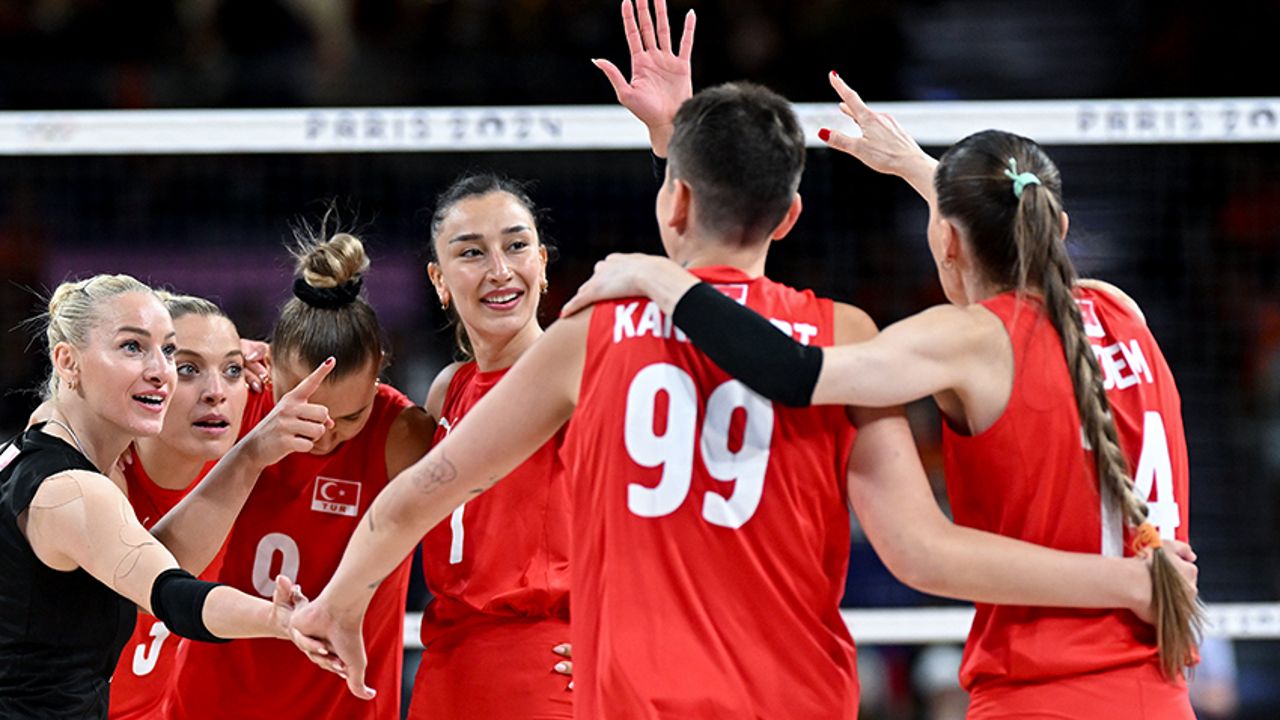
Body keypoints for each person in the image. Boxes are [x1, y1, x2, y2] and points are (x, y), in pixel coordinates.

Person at [292, 77, 1195, 717]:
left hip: (635, 698)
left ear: (671, 202)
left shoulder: (593, 334)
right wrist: (925, 173)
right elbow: (913, 541)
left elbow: (422, 491)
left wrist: (337, 600)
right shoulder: (852, 334)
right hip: (806, 696)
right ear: (791, 216)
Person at [559, 73, 1203, 718]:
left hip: (1047, 690)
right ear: (1054, 225)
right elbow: (1016, 232)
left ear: (946, 240)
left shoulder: (966, 340)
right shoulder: (1121, 310)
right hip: (1161, 690)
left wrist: (658, 276)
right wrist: (925, 172)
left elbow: (789, 369)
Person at [0, 274, 337, 719]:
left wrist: (250, 446)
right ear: (66, 361)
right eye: (132, 347)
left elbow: (155, 562)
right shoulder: (73, 490)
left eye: (169, 350)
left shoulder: (33, 448)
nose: (160, 371)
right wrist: (280, 620)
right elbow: (169, 593)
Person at [169, 226, 434, 720]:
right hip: (212, 699)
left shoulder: (402, 434)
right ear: (268, 365)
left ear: (381, 369)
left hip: (343, 704)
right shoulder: (230, 405)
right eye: (303, 412)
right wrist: (220, 363)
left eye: (349, 418)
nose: (325, 436)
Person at [407, 173, 572, 719]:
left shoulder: (578, 373)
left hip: (546, 671)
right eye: (472, 252)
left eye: (517, 245)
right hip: (447, 667)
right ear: (440, 279)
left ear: (543, 264)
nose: (500, 271)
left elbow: (667, 512)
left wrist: (635, 634)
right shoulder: (447, 389)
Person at [106, 294, 251, 719]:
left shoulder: (239, 443)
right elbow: (147, 585)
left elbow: (342, 370)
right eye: (188, 369)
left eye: (233, 369)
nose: (215, 393)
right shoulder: (86, 467)